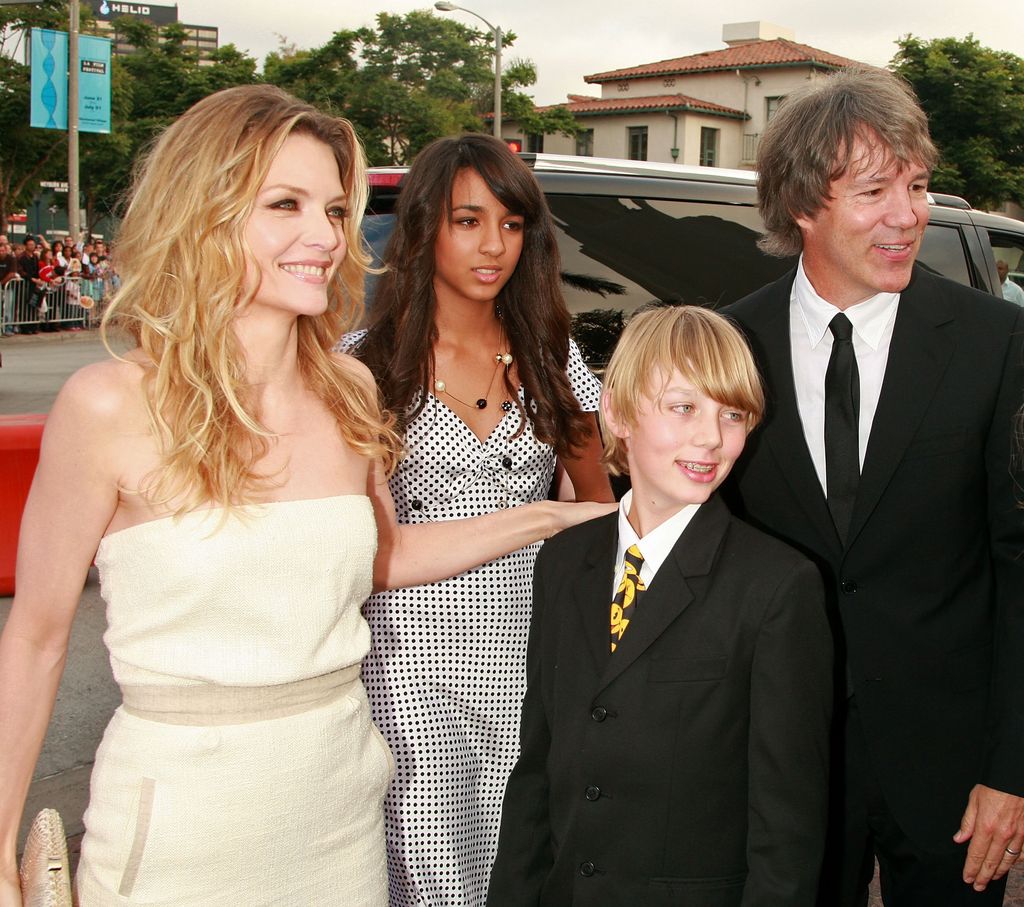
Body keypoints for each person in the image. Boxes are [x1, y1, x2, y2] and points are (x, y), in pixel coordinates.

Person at [0, 85, 611, 907]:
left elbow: (384, 558)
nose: (324, 237)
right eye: (285, 204)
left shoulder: (349, 389)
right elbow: (36, 640)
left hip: (341, 812)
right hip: (179, 824)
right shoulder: (108, 406)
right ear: (204, 212)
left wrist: (559, 513)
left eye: (333, 208)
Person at [723, 67, 1024, 907]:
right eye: (874, 190)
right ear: (802, 206)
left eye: (919, 186)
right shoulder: (732, 345)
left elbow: (1018, 563)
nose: (909, 215)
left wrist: (1013, 770)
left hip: (953, 773)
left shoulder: (995, 343)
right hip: (786, 762)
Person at [487, 305, 832, 906]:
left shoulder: (777, 587)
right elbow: (538, 767)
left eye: (733, 415)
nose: (711, 438)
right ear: (618, 413)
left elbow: (788, 823)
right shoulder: (565, 562)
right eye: (683, 408)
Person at [345, 133, 614, 906]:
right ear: (425, 226)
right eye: (468, 220)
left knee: (523, 864)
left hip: (532, 657)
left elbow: (596, 511)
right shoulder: (363, 363)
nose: (493, 244)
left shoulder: (550, 355)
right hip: (408, 666)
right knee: (431, 874)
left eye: (512, 222)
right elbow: (361, 547)